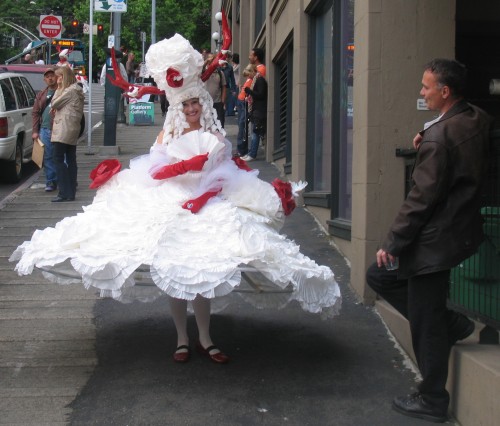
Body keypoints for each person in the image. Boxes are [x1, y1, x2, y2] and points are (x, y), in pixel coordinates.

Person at [10, 32, 341, 366]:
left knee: (203, 269)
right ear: (179, 108)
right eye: (186, 104)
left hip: (206, 201)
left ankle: (206, 338)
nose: (193, 107)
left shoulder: (213, 135)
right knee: (173, 266)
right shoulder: (166, 134)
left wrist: (201, 187)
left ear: (204, 104)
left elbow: (222, 171)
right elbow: (156, 168)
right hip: (170, 199)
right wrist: (181, 166)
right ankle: (183, 338)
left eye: (197, 102)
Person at [366, 58, 492, 423]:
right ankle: (452, 324)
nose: (422, 92)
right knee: (381, 277)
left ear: (445, 91)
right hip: (457, 229)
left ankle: (433, 398)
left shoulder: (438, 137)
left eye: (426, 86)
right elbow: (458, 141)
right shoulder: (474, 120)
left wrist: (392, 242)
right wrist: (428, 138)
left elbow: (420, 199)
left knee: (425, 320)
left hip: (433, 238)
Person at [49, 66, 84, 202]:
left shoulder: (69, 91)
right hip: (72, 128)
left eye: (59, 77)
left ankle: (64, 191)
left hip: (63, 128)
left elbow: (54, 103)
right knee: (70, 159)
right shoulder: (76, 90)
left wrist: (58, 88)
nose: (57, 80)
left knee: (57, 158)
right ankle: (71, 191)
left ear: (64, 77)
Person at [32, 67, 58, 192]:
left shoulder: (62, 91)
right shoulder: (41, 95)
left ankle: (64, 179)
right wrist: (35, 131)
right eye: (47, 77)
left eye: (52, 75)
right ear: (44, 79)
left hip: (59, 129)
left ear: (56, 76)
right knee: (47, 157)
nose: (50, 78)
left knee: (60, 156)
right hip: (45, 129)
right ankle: (51, 181)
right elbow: (35, 113)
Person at [241, 65, 267, 162]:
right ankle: (251, 152)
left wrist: (250, 91)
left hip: (259, 110)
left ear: (252, 72)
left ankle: (252, 154)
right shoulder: (258, 80)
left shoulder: (259, 81)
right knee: (254, 132)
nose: (249, 78)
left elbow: (260, 95)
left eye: (249, 75)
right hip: (257, 109)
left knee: (255, 132)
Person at [203, 53, 226, 128]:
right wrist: (206, 61)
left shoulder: (220, 73)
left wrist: (222, 101)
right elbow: (198, 70)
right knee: (206, 124)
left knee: (219, 124)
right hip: (205, 102)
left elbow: (224, 86)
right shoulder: (203, 72)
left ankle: (220, 139)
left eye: (213, 59)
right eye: (210, 59)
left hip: (217, 102)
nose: (211, 60)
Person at [235, 65, 254, 157]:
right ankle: (241, 148)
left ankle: (242, 149)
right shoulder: (249, 80)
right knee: (241, 125)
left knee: (242, 125)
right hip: (241, 102)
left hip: (244, 103)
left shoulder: (251, 80)